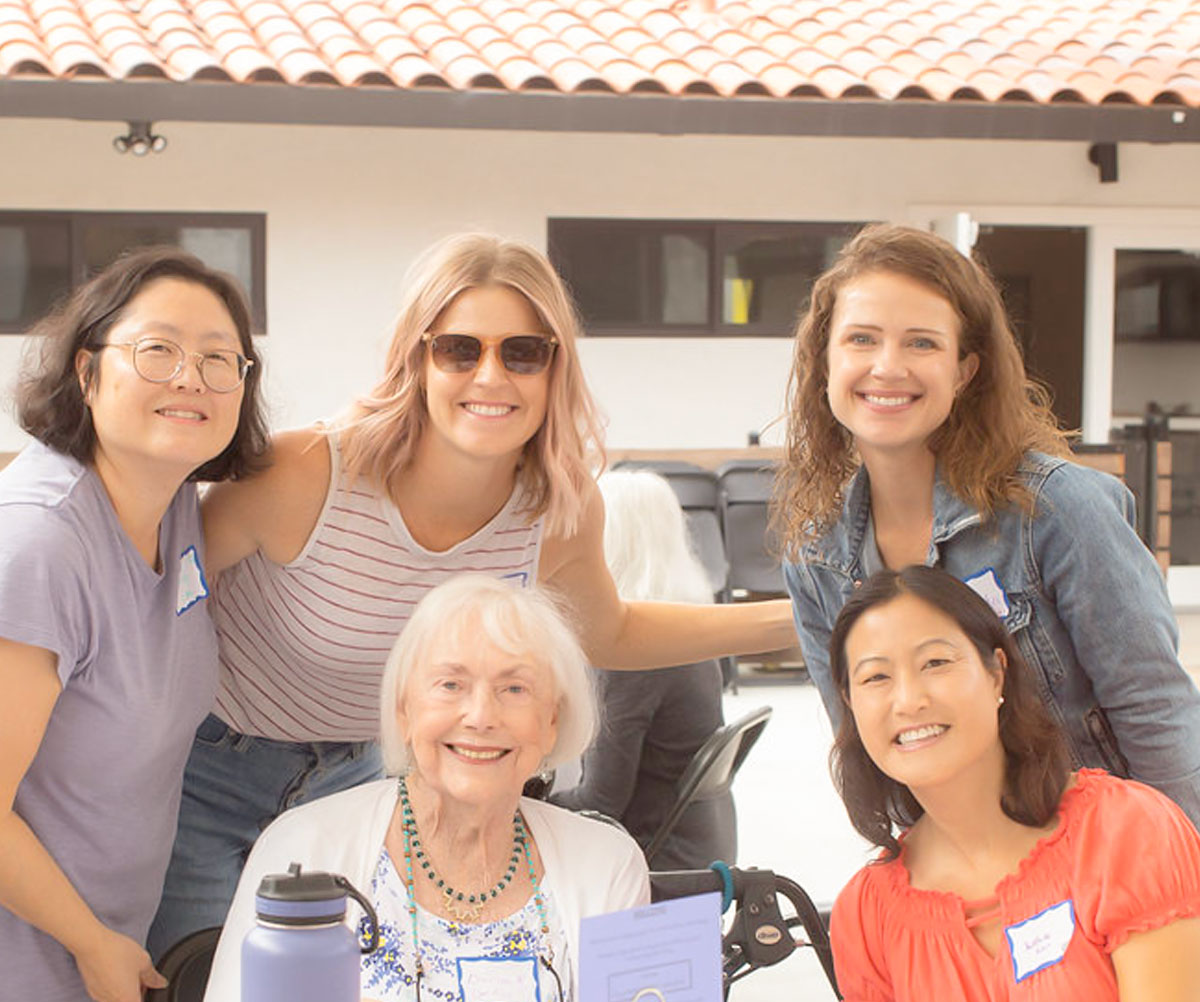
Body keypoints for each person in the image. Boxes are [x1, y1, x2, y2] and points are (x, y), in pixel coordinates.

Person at [149, 232, 794, 960]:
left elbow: (607, 631)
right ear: (416, 359)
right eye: (460, 349)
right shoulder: (305, 471)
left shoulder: (558, 503)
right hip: (207, 769)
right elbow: (152, 591)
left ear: (555, 369)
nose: (491, 376)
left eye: (523, 352)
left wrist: (794, 621)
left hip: (364, 777)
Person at [776, 222, 1200, 826]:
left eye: (922, 343)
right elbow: (864, 746)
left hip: (1106, 857)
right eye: (862, 339)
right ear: (825, 361)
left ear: (965, 370)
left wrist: (1179, 871)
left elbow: (1155, 706)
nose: (887, 367)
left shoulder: (1057, 510)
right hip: (965, 866)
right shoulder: (814, 554)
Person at [0, 247, 268, 1002]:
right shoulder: (41, 546)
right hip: (29, 969)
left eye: (219, 357)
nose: (189, 376)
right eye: (157, 349)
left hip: (91, 961)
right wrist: (93, 943)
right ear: (86, 369)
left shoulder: (172, 502)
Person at [187, 575, 649, 1002]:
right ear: (405, 710)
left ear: (552, 721)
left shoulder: (610, 865)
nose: (480, 715)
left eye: (514, 688)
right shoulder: (303, 850)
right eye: (451, 685)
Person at [827, 566, 1200, 1002]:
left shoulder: (1126, 833)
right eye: (875, 677)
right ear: (851, 704)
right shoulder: (866, 912)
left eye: (936, 662)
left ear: (997, 674)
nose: (908, 700)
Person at [552, 470, 735, 870]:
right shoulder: (686, 631)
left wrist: (524, 800)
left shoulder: (632, 658)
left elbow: (599, 805)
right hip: (701, 847)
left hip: (651, 859)